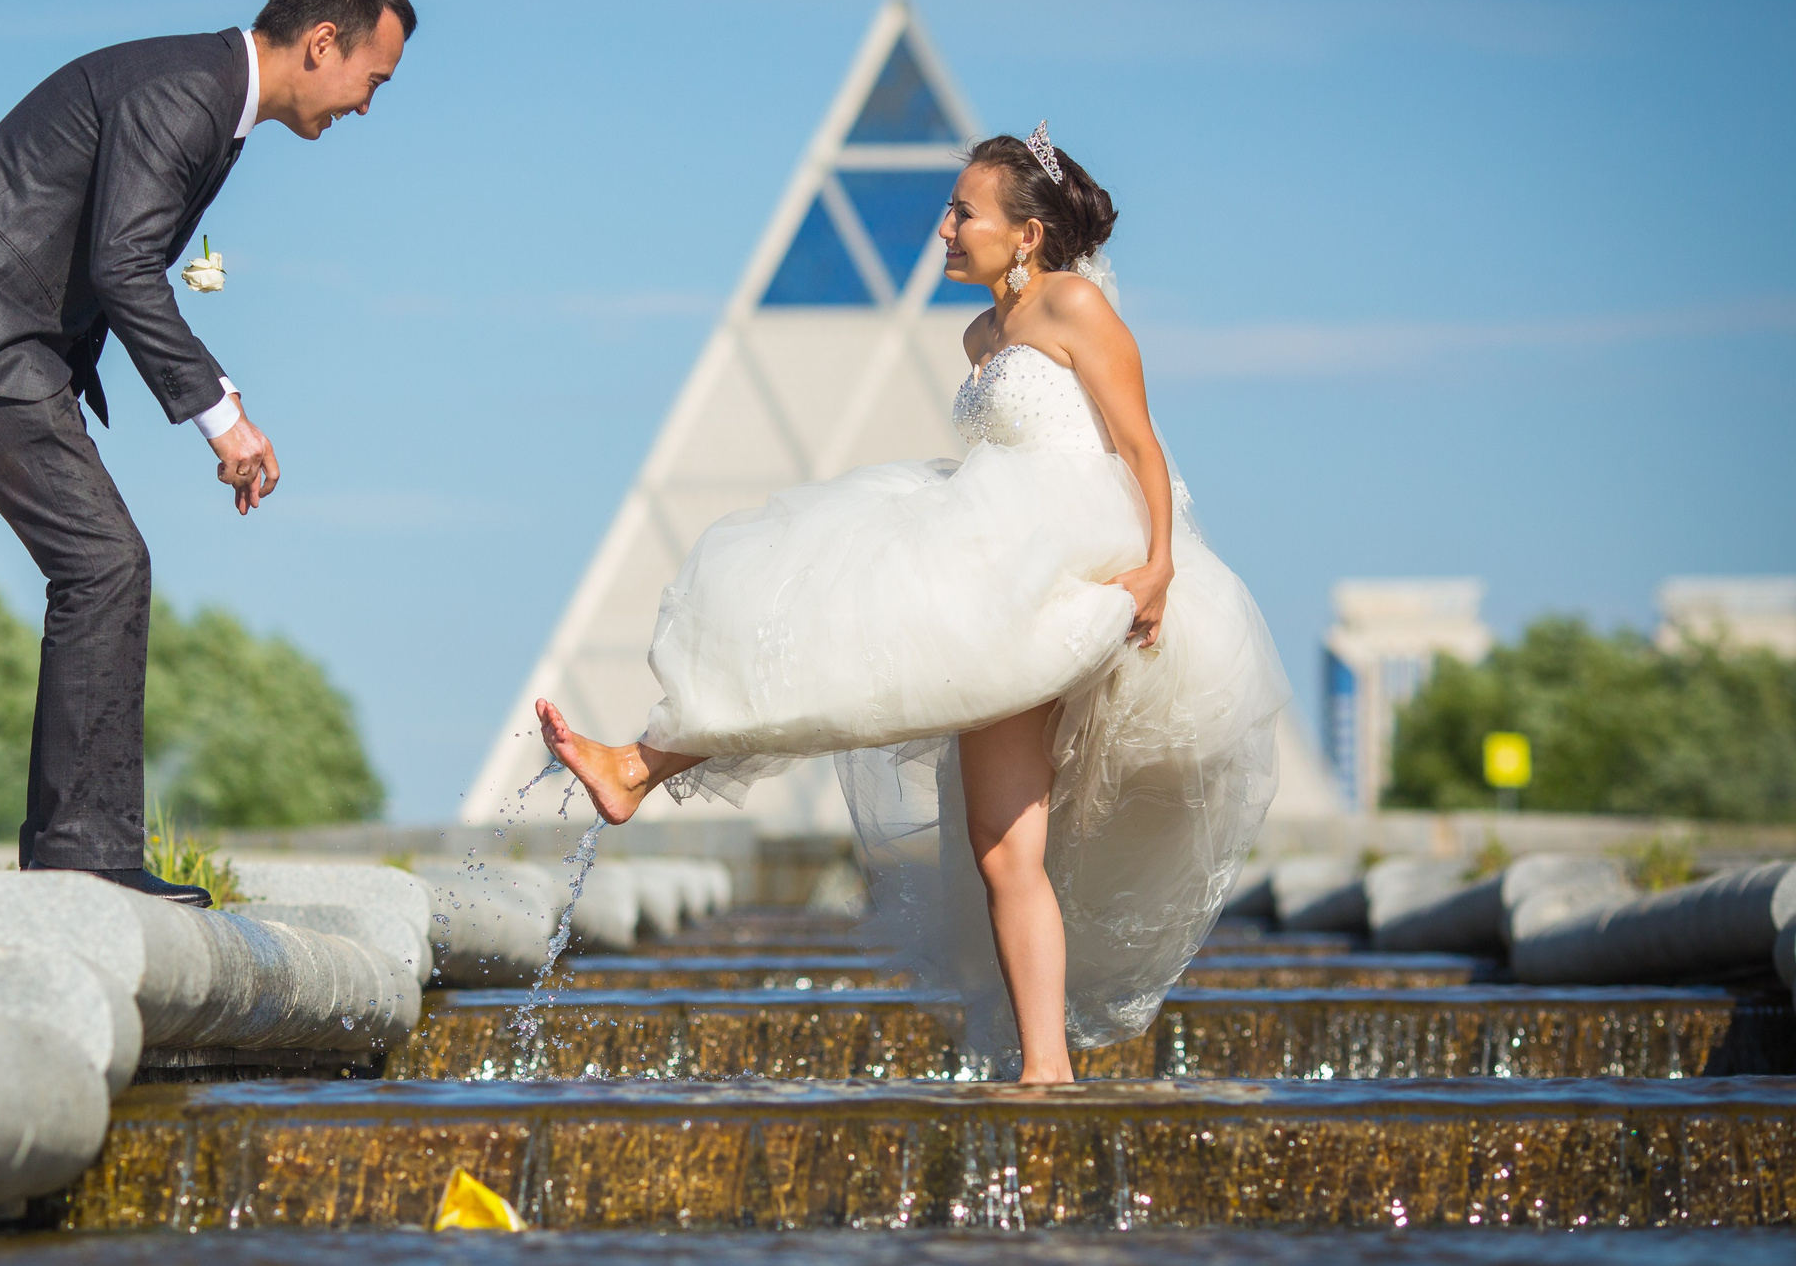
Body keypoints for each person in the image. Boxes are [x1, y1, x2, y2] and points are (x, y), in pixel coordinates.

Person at [536, 126, 1287, 1080]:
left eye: (962, 211)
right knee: (999, 848)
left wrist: (1160, 569)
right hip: (995, 571)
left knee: (855, 656)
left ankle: (640, 765)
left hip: (1071, 570)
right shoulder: (980, 334)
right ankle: (1047, 1072)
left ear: (1026, 232)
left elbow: (1142, 447)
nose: (943, 227)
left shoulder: (1075, 304)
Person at [0, 0, 414, 904]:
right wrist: (221, 416)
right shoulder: (184, 96)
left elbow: (112, 259)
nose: (368, 102)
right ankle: (81, 862)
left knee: (100, 563)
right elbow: (123, 265)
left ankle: (77, 852)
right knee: (105, 563)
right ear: (323, 42)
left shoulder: (207, 102)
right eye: (375, 77)